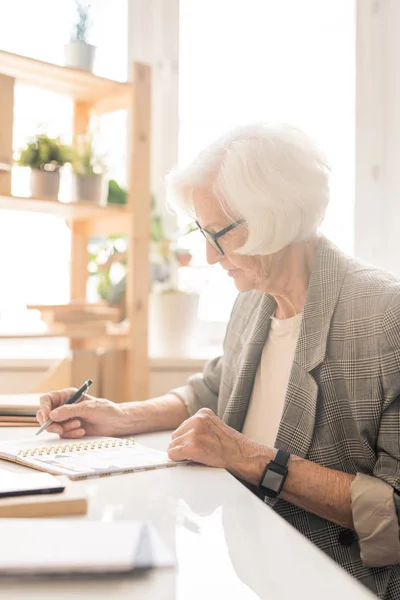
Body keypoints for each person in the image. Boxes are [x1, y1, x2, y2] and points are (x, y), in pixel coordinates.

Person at [37, 123, 400, 599]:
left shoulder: (384, 317)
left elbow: (393, 515)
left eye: (219, 234)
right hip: (249, 573)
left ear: (277, 215)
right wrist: (120, 415)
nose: (209, 256)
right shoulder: (254, 301)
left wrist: (250, 458)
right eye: (201, 233)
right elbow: (213, 390)